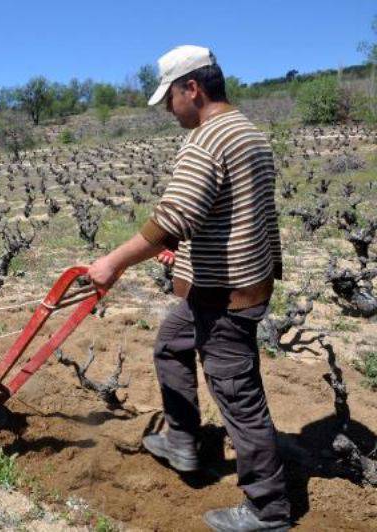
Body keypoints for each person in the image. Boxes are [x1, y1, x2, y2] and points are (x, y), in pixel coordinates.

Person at [87, 45, 290, 532]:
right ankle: (183, 440)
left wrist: (111, 263)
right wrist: (189, 253)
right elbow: (240, 213)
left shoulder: (207, 140)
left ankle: (268, 509)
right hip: (231, 282)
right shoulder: (248, 132)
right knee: (171, 345)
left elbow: (174, 217)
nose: (167, 109)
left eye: (168, 98)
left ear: (191, 88)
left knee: (238, 396)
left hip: (225, 295)